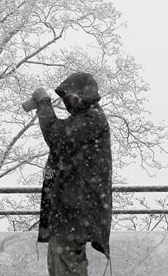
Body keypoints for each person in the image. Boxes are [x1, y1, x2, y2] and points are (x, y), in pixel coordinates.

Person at [29, 72, 113, 276]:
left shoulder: (93, 118)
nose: (68, 102)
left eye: (71, 96)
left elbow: (57, 136)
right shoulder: (86, 118)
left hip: (75, 210)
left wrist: (44, 104)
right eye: (66, 98)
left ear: (85, 94)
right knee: (60, 265)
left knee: (66, 266)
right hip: (72, 210)